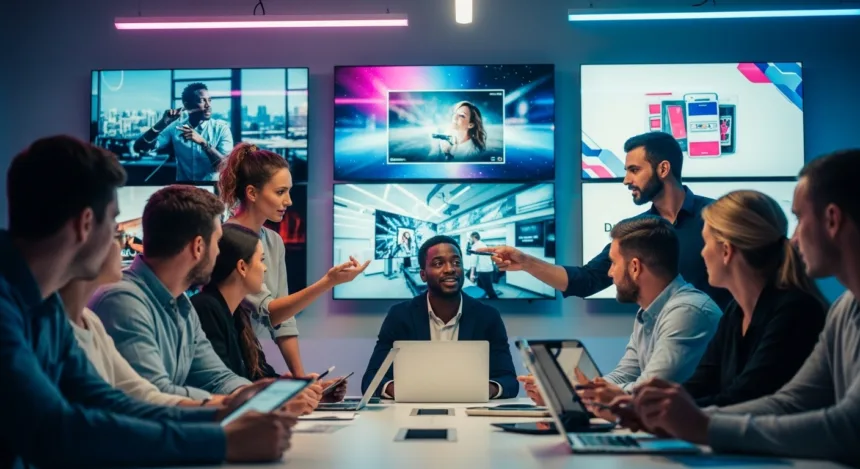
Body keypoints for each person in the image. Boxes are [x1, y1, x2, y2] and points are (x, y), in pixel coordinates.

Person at [0, 135, 295, 467]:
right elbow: (53, 430)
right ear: (85, 225)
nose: (118, 238)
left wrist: (223, 415)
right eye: (113, 223)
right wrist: (222, 439)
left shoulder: (44, 306)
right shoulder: (11, 307)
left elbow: (109, 400)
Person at [626, 150, 860, 465]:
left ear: (832, 219)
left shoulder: (797, 310)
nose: (793, 239)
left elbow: (849, 428)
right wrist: (669, 415)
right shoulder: (844, 309)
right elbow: (789, 402)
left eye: (800, 218)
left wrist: (703, 426)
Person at [478, 131, 732, 310]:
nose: (626, 180)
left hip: (726, 356)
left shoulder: (720, 218)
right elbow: (585, 281)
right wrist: (525, 262)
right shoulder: (637, 231)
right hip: (664, 349)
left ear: (663, 169)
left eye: (634, 170)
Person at [89, 185, 273, 402]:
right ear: (198, 247)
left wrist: (267, 398)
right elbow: (155, 395)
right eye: (217, 242)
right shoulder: (122, 302)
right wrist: (230, 402)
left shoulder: (182, 306)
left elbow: (218, 378)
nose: (218, 252)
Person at [522, 216, 722, 407]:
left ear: (635, 267)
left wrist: (572, 393)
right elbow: (623, 375)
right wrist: (563, 391)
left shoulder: (687, 312)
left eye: (613, 263)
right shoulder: (649, 312)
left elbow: (648, 391)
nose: (610, 273)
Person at [217, 143, 369, 378]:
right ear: (252, 193)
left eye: (288, 191)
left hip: (250, 358)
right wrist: (328, 282)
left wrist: (302, 380)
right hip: (225, 361)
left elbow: (283, 320)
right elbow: (271, 312)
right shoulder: (228, 239)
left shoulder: (274, 240)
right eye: (280, 192)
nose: (288, 201)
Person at [681, 190, 828, 407]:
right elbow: (701, 382)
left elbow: (746, 397)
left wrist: (665, 410)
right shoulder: (735, 311)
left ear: (726, 250)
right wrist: (645, 404)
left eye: (706, 243)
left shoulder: (796, 311)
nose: (702, 253)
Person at [192, 224, 347, 402]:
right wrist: (288, 395)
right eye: (261, 260)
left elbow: (259, 375)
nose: (265, 268)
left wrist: (304, 391)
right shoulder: (206, 309)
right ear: (242, 267)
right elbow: (221, 384)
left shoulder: (237, 315)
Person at [361, 235, 518, 399]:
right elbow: (371, 379)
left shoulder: (488, 316)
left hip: (470, 410)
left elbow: (509, 381)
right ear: (423, 274)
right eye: (438, 263)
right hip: (413, 410)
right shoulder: (400, 315)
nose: (450, 269)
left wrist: (483, 389)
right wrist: (403, 390)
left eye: (456, 263)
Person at [133, 82, 234, 182]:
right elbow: (140, 148)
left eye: (209, 100)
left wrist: (204, 143)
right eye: (202, 100)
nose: (208, 105)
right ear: (187, 105)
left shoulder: (221, 129)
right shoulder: (175, 128)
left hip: (213, 189)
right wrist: (162, 123)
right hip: (184, 189)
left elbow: (226, 167)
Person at [468, 232, 498, 299]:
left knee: (489, 290)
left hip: (483, 270)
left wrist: (471, 274)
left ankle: (497, 302)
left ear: (474, 238)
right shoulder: (483, 244)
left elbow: (473, 261)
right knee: (480, 287)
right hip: (488, 269)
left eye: (470, 238)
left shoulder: (475, 246)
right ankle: (481, 300)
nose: (470, 240)